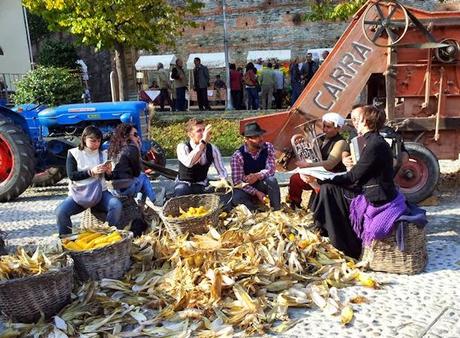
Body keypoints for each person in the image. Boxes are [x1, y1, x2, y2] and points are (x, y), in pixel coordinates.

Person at [56, 126, 122, 235]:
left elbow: (109, 178)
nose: (96, 143)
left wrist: (109, 172)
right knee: (60, 212)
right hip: (79, 194)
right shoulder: (73, 153)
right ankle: (66, 240)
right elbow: (72, 175)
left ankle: (108, 233)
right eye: (92, 141)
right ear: (84, 139)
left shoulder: (104, 154)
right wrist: (91, 172)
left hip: (100, 193)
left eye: (98, 141)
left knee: (116, 205)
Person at [288, 112, 348, 209]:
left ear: (338, 128)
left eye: (328, 127)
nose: (324, 129)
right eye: (324, 126)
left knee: (308, 178)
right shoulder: (319, 138)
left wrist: (307, 166)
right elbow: (310, 157)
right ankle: (295, 204)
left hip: (331, 175)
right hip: (317, 172)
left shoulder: (341, 142)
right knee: (295, 179)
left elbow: (330, 164)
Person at [231, 122, 281, 211]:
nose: (261, 139)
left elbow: (271, 169)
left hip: (261, 183)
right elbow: (238, 182)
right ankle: (255, 211)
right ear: (246, 139)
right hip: (246, 187)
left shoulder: (268, 147)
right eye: (256, 137)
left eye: (261, 135)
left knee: (272, 180)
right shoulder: (238, 156)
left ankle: (276, 209)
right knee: (237, 197)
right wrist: (256, 192)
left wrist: (257, 176)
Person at [108, 123, 156, 208]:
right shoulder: (131, 148)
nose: (138, 137)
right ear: (127, 136)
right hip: (125, 188)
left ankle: (140, 203)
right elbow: (137, 172)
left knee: (140, 179)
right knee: (143, 177)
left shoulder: (113, 148)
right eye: (135, 134)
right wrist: (138, 147)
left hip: (112, 189)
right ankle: (154, 201)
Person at [175, 119, 228, 196]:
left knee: (224, 191)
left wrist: (223, 180)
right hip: (185, 184)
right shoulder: (182, 147)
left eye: (204, 130)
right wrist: (203, 142)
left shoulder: (212, 148)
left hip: (202, 184)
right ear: (190, 134)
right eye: (199, 131)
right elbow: (189, 163)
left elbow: (222, 170)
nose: (204, 133)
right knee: (181, 192)